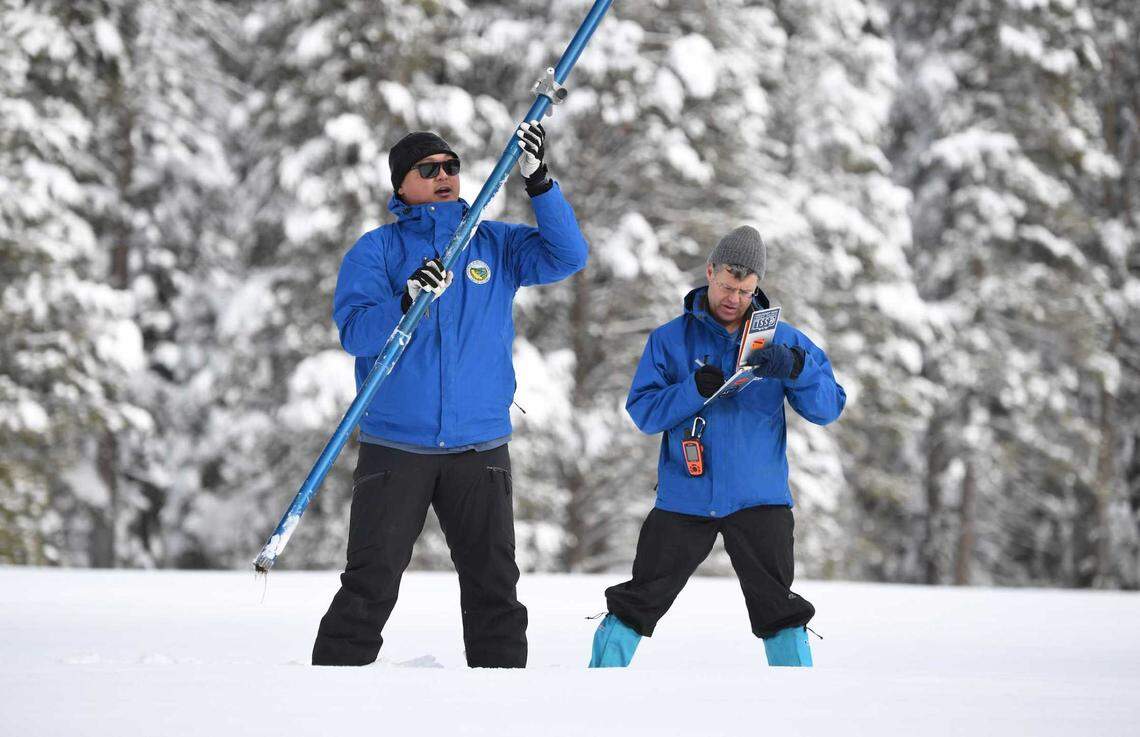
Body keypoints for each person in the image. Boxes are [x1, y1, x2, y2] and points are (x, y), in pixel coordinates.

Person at [313, 122, 588, 668]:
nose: (444, 177)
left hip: (479, 449)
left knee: (495, 588)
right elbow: (356, 331)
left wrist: (540, 185)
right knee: (371, 582)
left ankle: (502, 702)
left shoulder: (494, 242)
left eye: (451, 166)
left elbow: (567, 256)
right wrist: (407, 297)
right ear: (401, 185)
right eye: (428, 170)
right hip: (396, 447)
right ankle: (331, 697)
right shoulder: (377, 251)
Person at [589, 225, 845, 668]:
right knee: (640, 599)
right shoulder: (669, 340)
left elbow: (828, 408)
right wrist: (691, 390)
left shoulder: (784, 340)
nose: (734, 298)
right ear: (709, 272)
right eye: (727, 286)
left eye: (746, 291)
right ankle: (597, 685)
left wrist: (798, 368)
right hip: (685, 497)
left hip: (760, 498)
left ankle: (798, 699)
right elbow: (644, 413)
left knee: (779, 609)